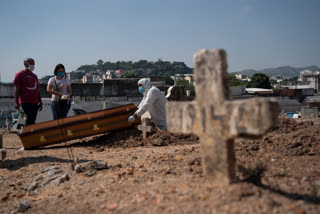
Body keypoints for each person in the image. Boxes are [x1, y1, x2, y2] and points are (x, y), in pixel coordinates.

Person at [13, 58, 43, 125]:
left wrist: (40, 102)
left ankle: (30, 133)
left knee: (32, 120)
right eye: (31, 64)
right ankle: (27, 133)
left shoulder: (34, 76)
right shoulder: (19, 75)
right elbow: (17, 88)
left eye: (33, 64)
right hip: (25, 102)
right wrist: (16, 102)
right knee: (28, 118)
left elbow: (37, 90)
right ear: (25, 64)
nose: (32, 66)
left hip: (35, 102)